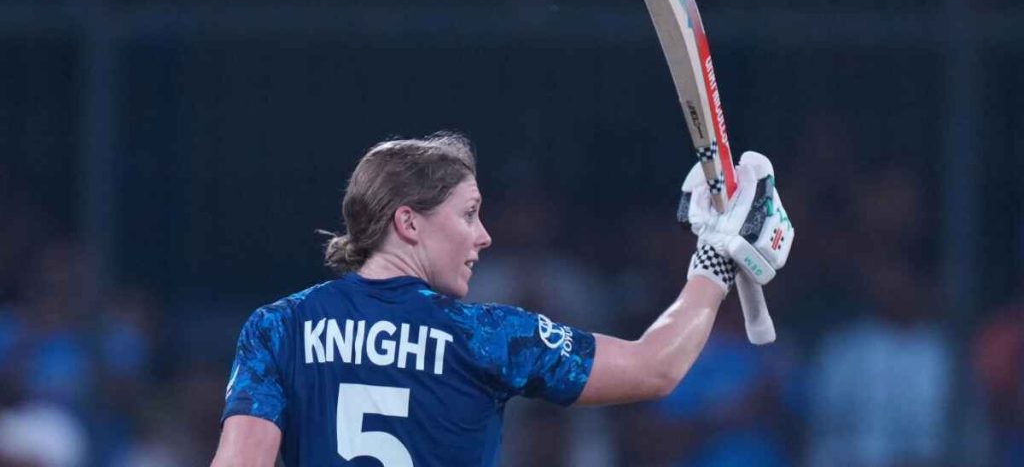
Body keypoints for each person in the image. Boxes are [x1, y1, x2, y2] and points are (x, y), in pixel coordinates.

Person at [210, 132, 792, 467]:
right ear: (408, 223)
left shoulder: (278, 327)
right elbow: (654, 368)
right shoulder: (486, 337)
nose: (485, 236)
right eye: (469, 214)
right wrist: (714, 260)